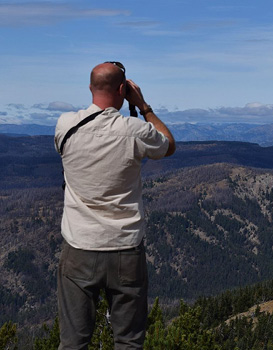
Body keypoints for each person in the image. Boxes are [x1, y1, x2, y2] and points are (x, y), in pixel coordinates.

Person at [54, 61, 175, 349]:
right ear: (123, 89)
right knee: (128, 341)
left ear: (90, 88)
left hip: (80, 246)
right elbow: (168, 145)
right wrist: (143, 106)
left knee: (73, 342)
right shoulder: (135, 131)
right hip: (125, 249)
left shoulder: (66, 125)